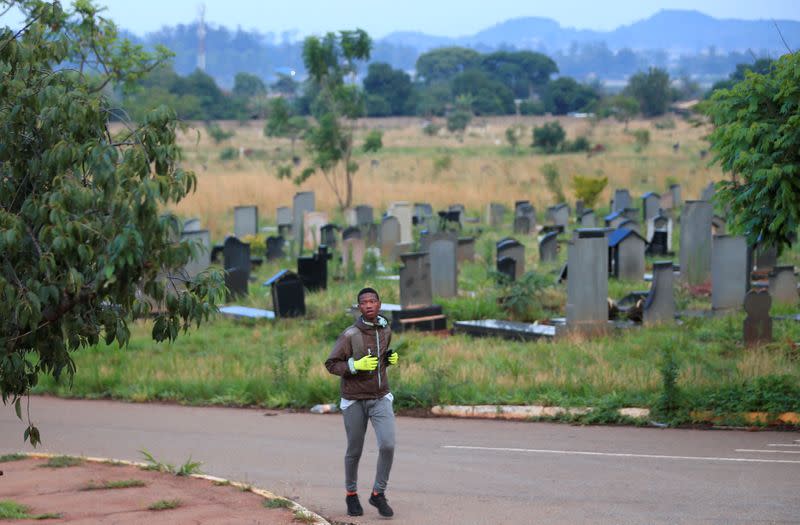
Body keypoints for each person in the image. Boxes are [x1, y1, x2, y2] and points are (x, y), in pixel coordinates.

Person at [325, 287, 399, 518]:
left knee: (387, 444)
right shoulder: (350, 335)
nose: (368, 305)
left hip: (380, 397)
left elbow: (380, 361)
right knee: (354, 450)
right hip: (354, 400)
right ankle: (351, 494)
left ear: (379, 304)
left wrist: (388, 361)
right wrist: (354, 366)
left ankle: (378, 493)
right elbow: (331, 364)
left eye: (372, 301)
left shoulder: (386, 330)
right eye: (363, 302)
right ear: (359, 307)